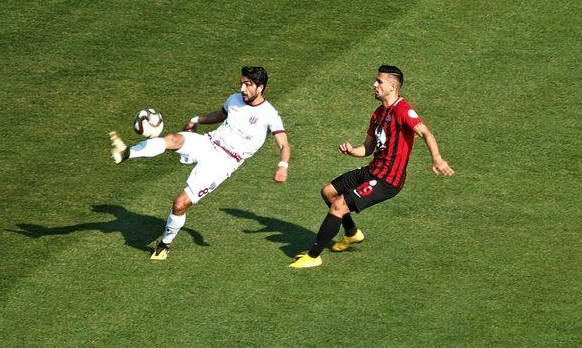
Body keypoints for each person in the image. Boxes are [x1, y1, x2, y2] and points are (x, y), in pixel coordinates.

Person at [109, 66, 291, 260]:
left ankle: (164, 245)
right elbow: (221, 115)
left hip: (223, 162)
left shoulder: (270, 114)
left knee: (180, 204)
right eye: (241, 84)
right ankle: (127, 153)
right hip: (208, 142)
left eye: (248, 85)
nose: (243, 89)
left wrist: (282, 166)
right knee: (174, 139)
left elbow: (284, 145)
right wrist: (196, 119)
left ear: (260, 87)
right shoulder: (235, 99)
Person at [290, 64, 454, 268]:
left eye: (379, 81)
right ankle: (352, 234)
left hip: (388, 180)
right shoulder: (377, 114)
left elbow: (426, 133)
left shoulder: (403, 110)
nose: (374, 85)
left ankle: (313, 257)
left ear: (393, 87)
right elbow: (367, 149)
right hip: (373, 170)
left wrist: (437, 158)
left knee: (338, 206)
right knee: (328, 192)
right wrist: (351, 150)